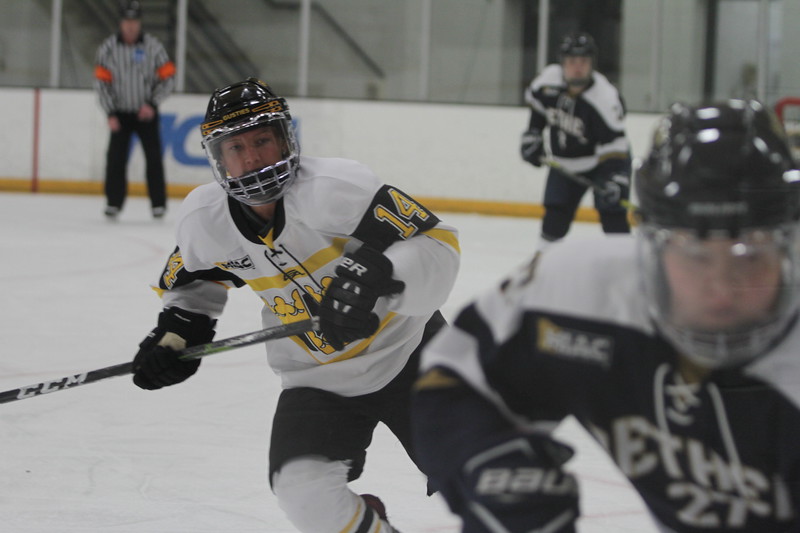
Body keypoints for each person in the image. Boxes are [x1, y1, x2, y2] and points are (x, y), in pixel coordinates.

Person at [412, 99, 800, 532]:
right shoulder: (578, 291)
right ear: (649, 244)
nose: (723, 288)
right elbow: (458, 379)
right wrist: (489, 466)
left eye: (751, 257)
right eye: (695, 256)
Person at [130, 78, 460, 533]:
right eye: (236, 148)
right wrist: (175, 338)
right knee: (301, 490)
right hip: (318, 378)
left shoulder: (336, 188)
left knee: (488, 476)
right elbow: (191, 287)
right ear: (218, 158)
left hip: (412, 350)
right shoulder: (204, 221)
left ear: (285, 137)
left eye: (262, 141)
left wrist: (374, 277)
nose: (251, 158)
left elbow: (436, 242)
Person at [520, 32, 632, 250]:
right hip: (565, 165)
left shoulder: (605, 98)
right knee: (554, 220)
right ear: (562, 63)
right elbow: (539, 111)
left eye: (583, 61)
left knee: (613, 218)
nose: (577, 67)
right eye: (571, 61)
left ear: (592, 64)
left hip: (603, 162)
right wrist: (532, 135)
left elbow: (615, 146)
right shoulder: (548, 82)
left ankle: (628, 270)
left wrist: (615, 180)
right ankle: (543, 270)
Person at [93, 0, 175, 220]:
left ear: (139, 23)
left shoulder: (153, 47)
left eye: (134, 21)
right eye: (127, 21)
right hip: (120, 114)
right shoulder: (108, 49)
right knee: (115, 160)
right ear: (121, 22)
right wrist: (110, 113)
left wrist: (153, 103)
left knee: (154, 158)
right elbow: (102, 84)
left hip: (146, 112)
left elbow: (168, 78)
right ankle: (113, 203)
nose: (130, 26)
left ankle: (158, 204)